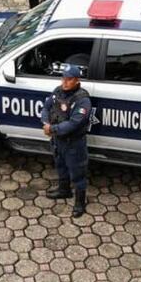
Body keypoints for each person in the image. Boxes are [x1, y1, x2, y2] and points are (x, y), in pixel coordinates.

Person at [41, 64, 92, 218]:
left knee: (77, 173)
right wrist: (46, 123)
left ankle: (80, 202)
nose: (65, 82)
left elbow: (73, 124)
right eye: (63, 78)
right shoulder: (58, 91)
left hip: (73, 143)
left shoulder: (82, 100)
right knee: (60, 165)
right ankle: (64, 190)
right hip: (58, 141)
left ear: (77, 80)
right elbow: (46, 108)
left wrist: (52, 129)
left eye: (69, 79)